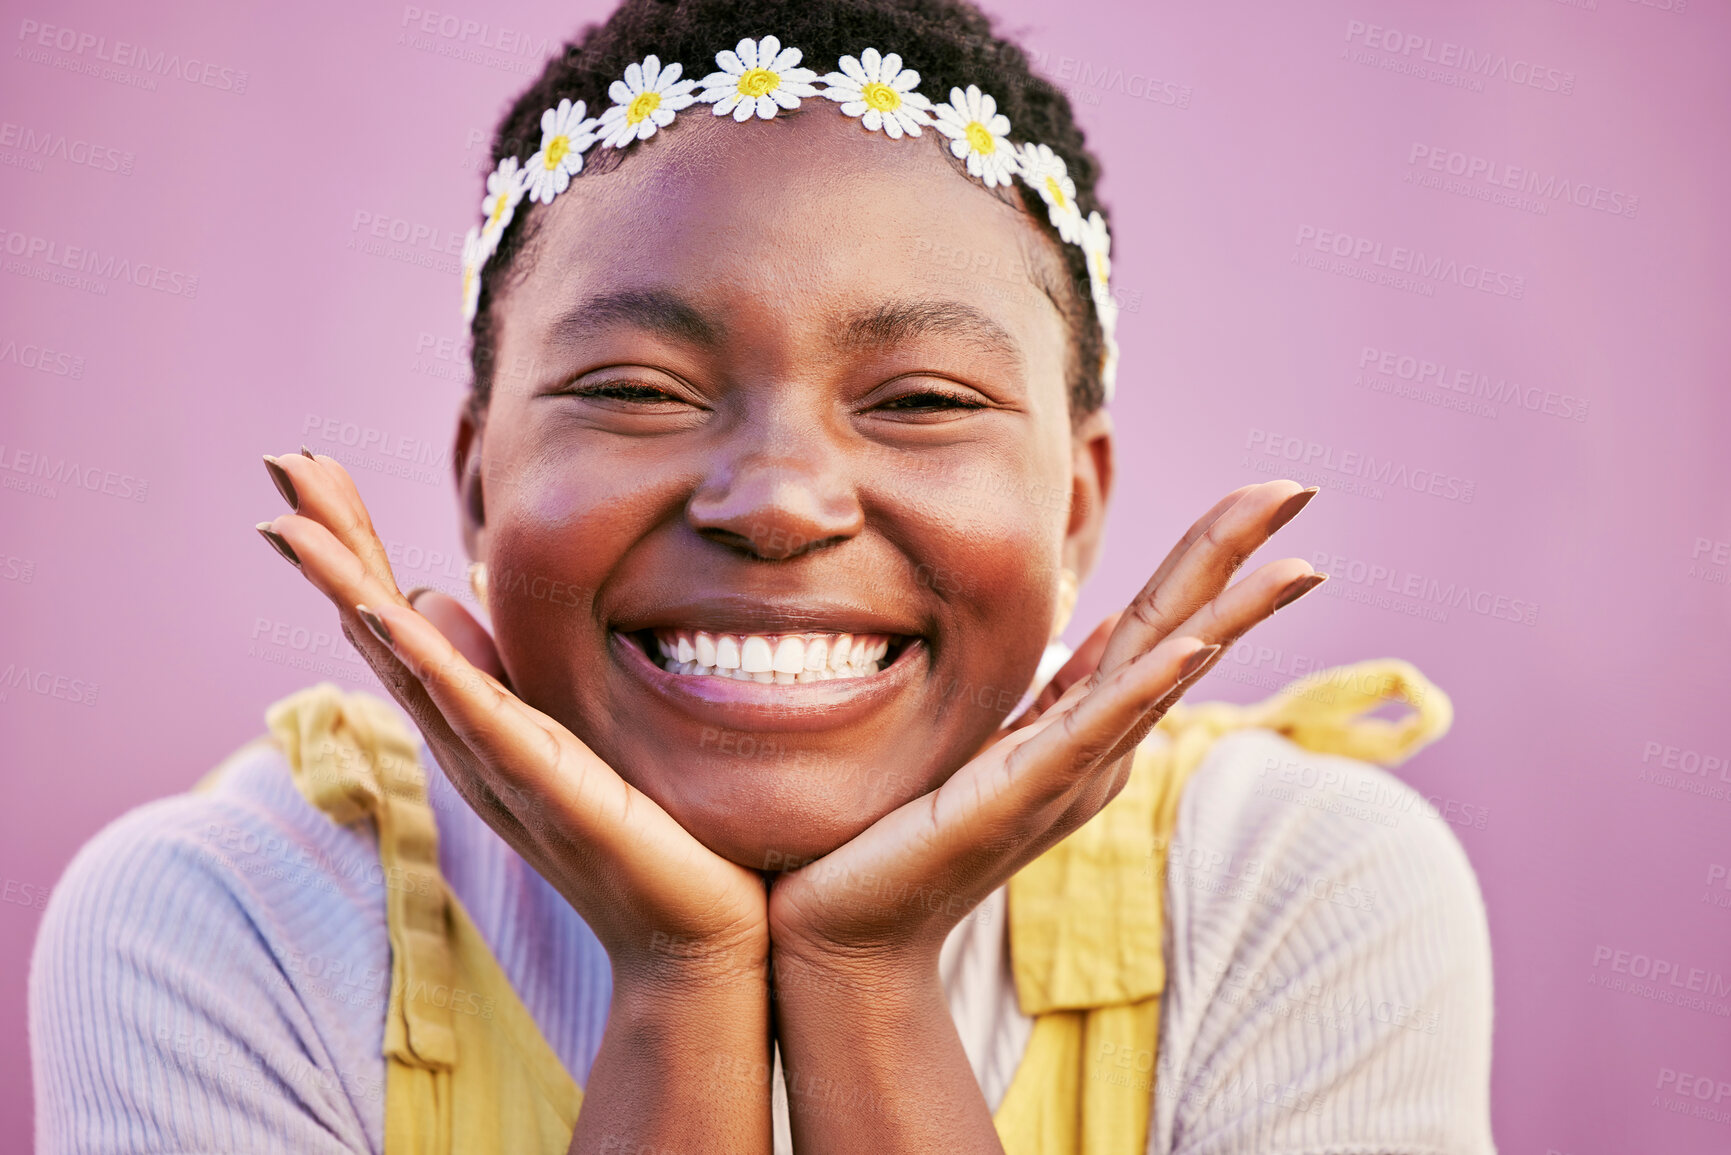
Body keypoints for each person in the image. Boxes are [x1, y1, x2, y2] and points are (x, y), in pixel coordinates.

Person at [29, 1, 1496, 1152]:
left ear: (1076, 507)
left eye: (920, 400)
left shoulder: (1287, 894)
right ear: (478, 482)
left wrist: (864, 985)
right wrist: (683, 984)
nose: (781, 503)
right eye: (640, 389)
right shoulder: (234, 924)